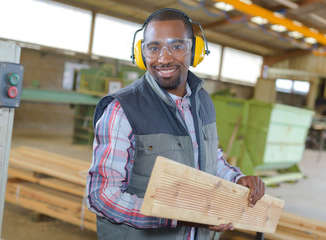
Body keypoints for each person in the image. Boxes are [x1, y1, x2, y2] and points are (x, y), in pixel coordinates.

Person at [86, 8, 265, 240]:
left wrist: (237, 178)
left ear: (195, 51)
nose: (164, 58)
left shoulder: (203, 100)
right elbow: (101, 196)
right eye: (154, 47)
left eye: (177, 46)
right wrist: (177, 215)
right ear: (141, 54)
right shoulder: (121, 110)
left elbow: (209, 156)